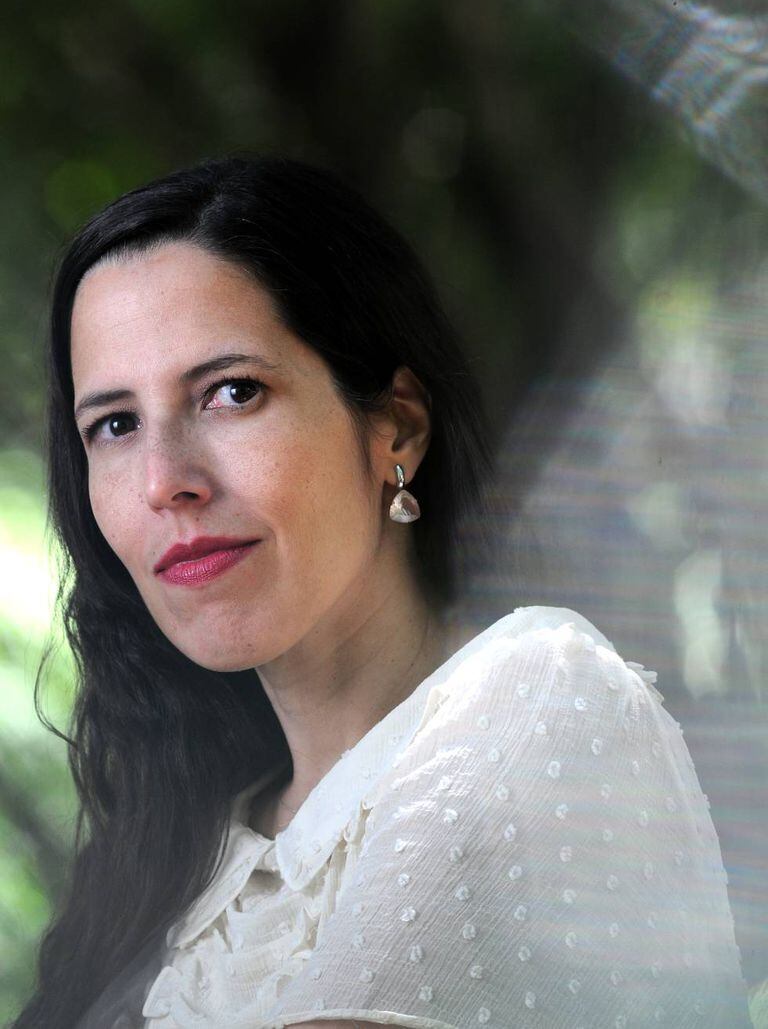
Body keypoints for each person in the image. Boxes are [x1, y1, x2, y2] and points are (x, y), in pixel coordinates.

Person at [13, 154, 750, 1029]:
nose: (163, 480)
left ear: (397, 426)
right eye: (115, 424)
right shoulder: (179, 865)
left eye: (232, 392)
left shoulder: (538, 695)